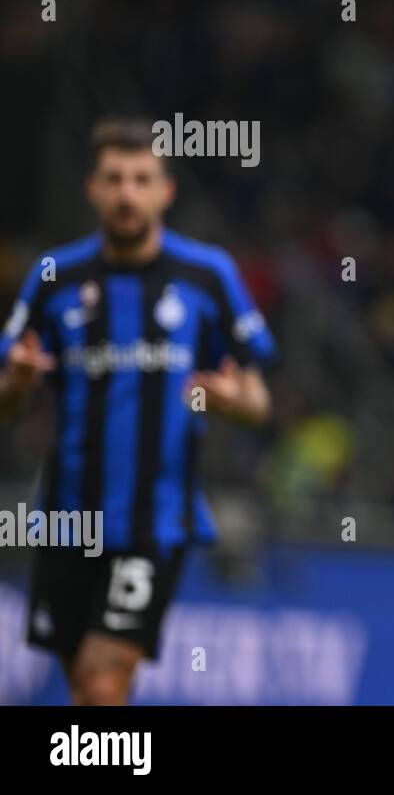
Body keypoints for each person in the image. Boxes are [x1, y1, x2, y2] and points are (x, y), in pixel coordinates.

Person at [0, 117, 276, 704]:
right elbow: (5, 404)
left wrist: (232, 401)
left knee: (103, 677)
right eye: (114, 178)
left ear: (166, 190)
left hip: (155, 519)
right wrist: (17, 384)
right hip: (68, 520)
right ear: (91, 188)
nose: (127, 193)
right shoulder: (54, 277)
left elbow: (259, 401)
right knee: (85, 684)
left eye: (141, 179)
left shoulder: (207, 276)